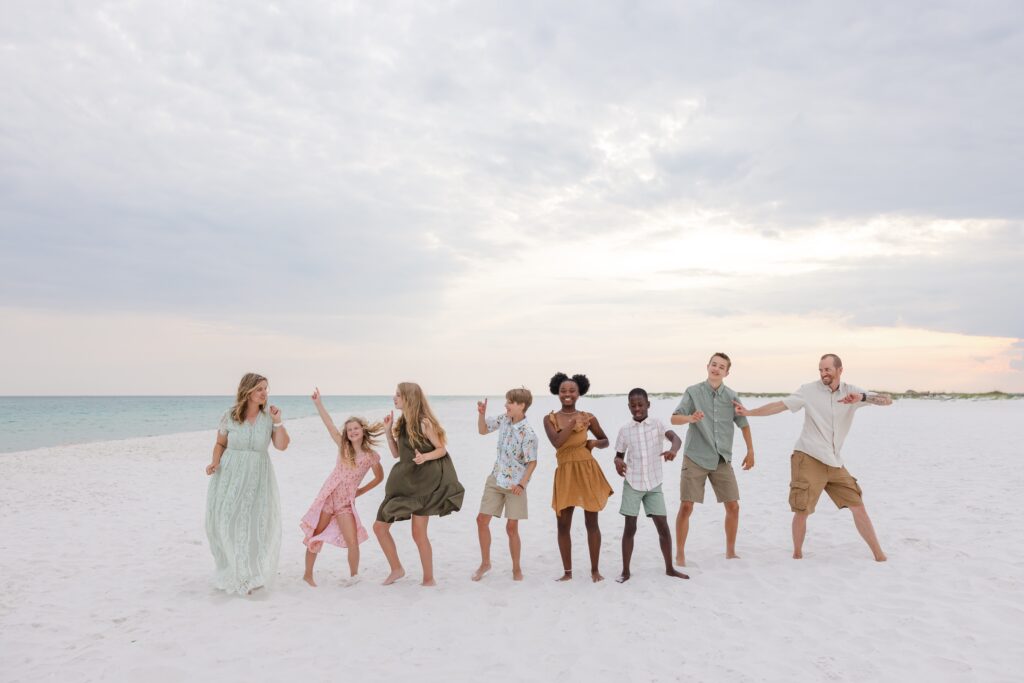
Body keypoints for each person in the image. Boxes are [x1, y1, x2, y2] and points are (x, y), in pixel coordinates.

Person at [734, 353, 892, 562]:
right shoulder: (808, 390)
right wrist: (750, 413)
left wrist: (862, 397)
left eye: (827, 369)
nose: (823, 373)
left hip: (835, 461)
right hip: (808, 456)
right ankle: (797, 554)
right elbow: (781, 405)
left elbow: (887, 400)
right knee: (802, 510)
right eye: (821, 370)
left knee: (858, 505)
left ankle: (879, 555)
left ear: (839, 370)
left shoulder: (852, 392)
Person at [205, 372, 290, 595]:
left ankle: (250, 573)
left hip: (258, 475)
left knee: (255, 523)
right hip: (230, 473)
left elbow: (282, 446)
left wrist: (278, 421)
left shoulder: (269, 417)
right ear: (248, 391)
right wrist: (214, 462)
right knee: (226, 520)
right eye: (260, 388)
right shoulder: (229, 416)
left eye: (266, 389)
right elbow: (220, 444)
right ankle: (232, 570)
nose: (264, 393)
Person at [373, 382, 465, 586]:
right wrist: (388, 431)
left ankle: (429, 579)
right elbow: (397, 454)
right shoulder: (402, 422)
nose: (394, 398)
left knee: (418, 533)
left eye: (398, 395)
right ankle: (397, 569)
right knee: (379, 527)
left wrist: (425, 457)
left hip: (424, 484)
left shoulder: (424, 422)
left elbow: (441, 449)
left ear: (409, 398)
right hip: (404, 483)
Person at [671, 352, 754, 566]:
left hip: (721, 458)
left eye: (721, 366)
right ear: (707, 366)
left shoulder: (732, 396)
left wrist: (750, 451)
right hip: (696, 456)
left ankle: (730, 551)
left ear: (727, 372)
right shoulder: (693, 392)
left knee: (733, 506)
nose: (716, 369)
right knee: (687, 506)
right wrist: (690, 418)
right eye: (714, 364)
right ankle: (680, 553)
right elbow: (674, 418)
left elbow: (743, 423)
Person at [300, 387, 385, 587]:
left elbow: (379, 477)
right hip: (329, 498)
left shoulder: (371, 456)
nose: (353, 432)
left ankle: (354, 576)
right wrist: (318, 403)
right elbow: (330, 425)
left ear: (362, 430)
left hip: (346, 504)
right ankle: (308, 575)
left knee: (352, 540)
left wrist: (361, 491)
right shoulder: (343, 447)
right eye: (349, 430)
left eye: (356, 428)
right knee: (315, 536)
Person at [613, 388, 689, 583]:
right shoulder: (625, 430)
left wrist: (672, 450)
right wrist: (617, 462)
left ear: (648, 404)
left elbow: (676, 438)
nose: (637, 408)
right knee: (630, 527)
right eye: (633, 405)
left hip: (654, 484)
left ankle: (670, 568)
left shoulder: (657, 424)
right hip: (633, 483)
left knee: (663, 526)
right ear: (629, 406)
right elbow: (619, 455)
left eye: (640, 404)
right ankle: (626, 571)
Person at [545, 372, 613, 582]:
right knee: (563, 525)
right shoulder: (550, 419)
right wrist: (572, 422)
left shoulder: (588, 417)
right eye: (563, 390)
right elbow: (557, 442)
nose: (567, 394)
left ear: (579, 392)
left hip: (587, 470)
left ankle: (595, 570)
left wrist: (593, 443)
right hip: (565, 472)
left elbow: (605, 440)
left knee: (591, 522)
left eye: (572, 391)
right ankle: (567, 573)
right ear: (557, 391)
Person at [472, 388, 539, 582]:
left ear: (521, 405)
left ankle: (516, 569)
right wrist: (482, 415)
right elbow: (483, 430)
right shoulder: (504, 420)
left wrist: (522, 485)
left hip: (515, 486)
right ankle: (485, 563)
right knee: (481, 520)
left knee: (511, 528)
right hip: (495, 478)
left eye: (509, 402)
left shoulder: (528, 434)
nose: (506, 405)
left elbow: (532, 462)